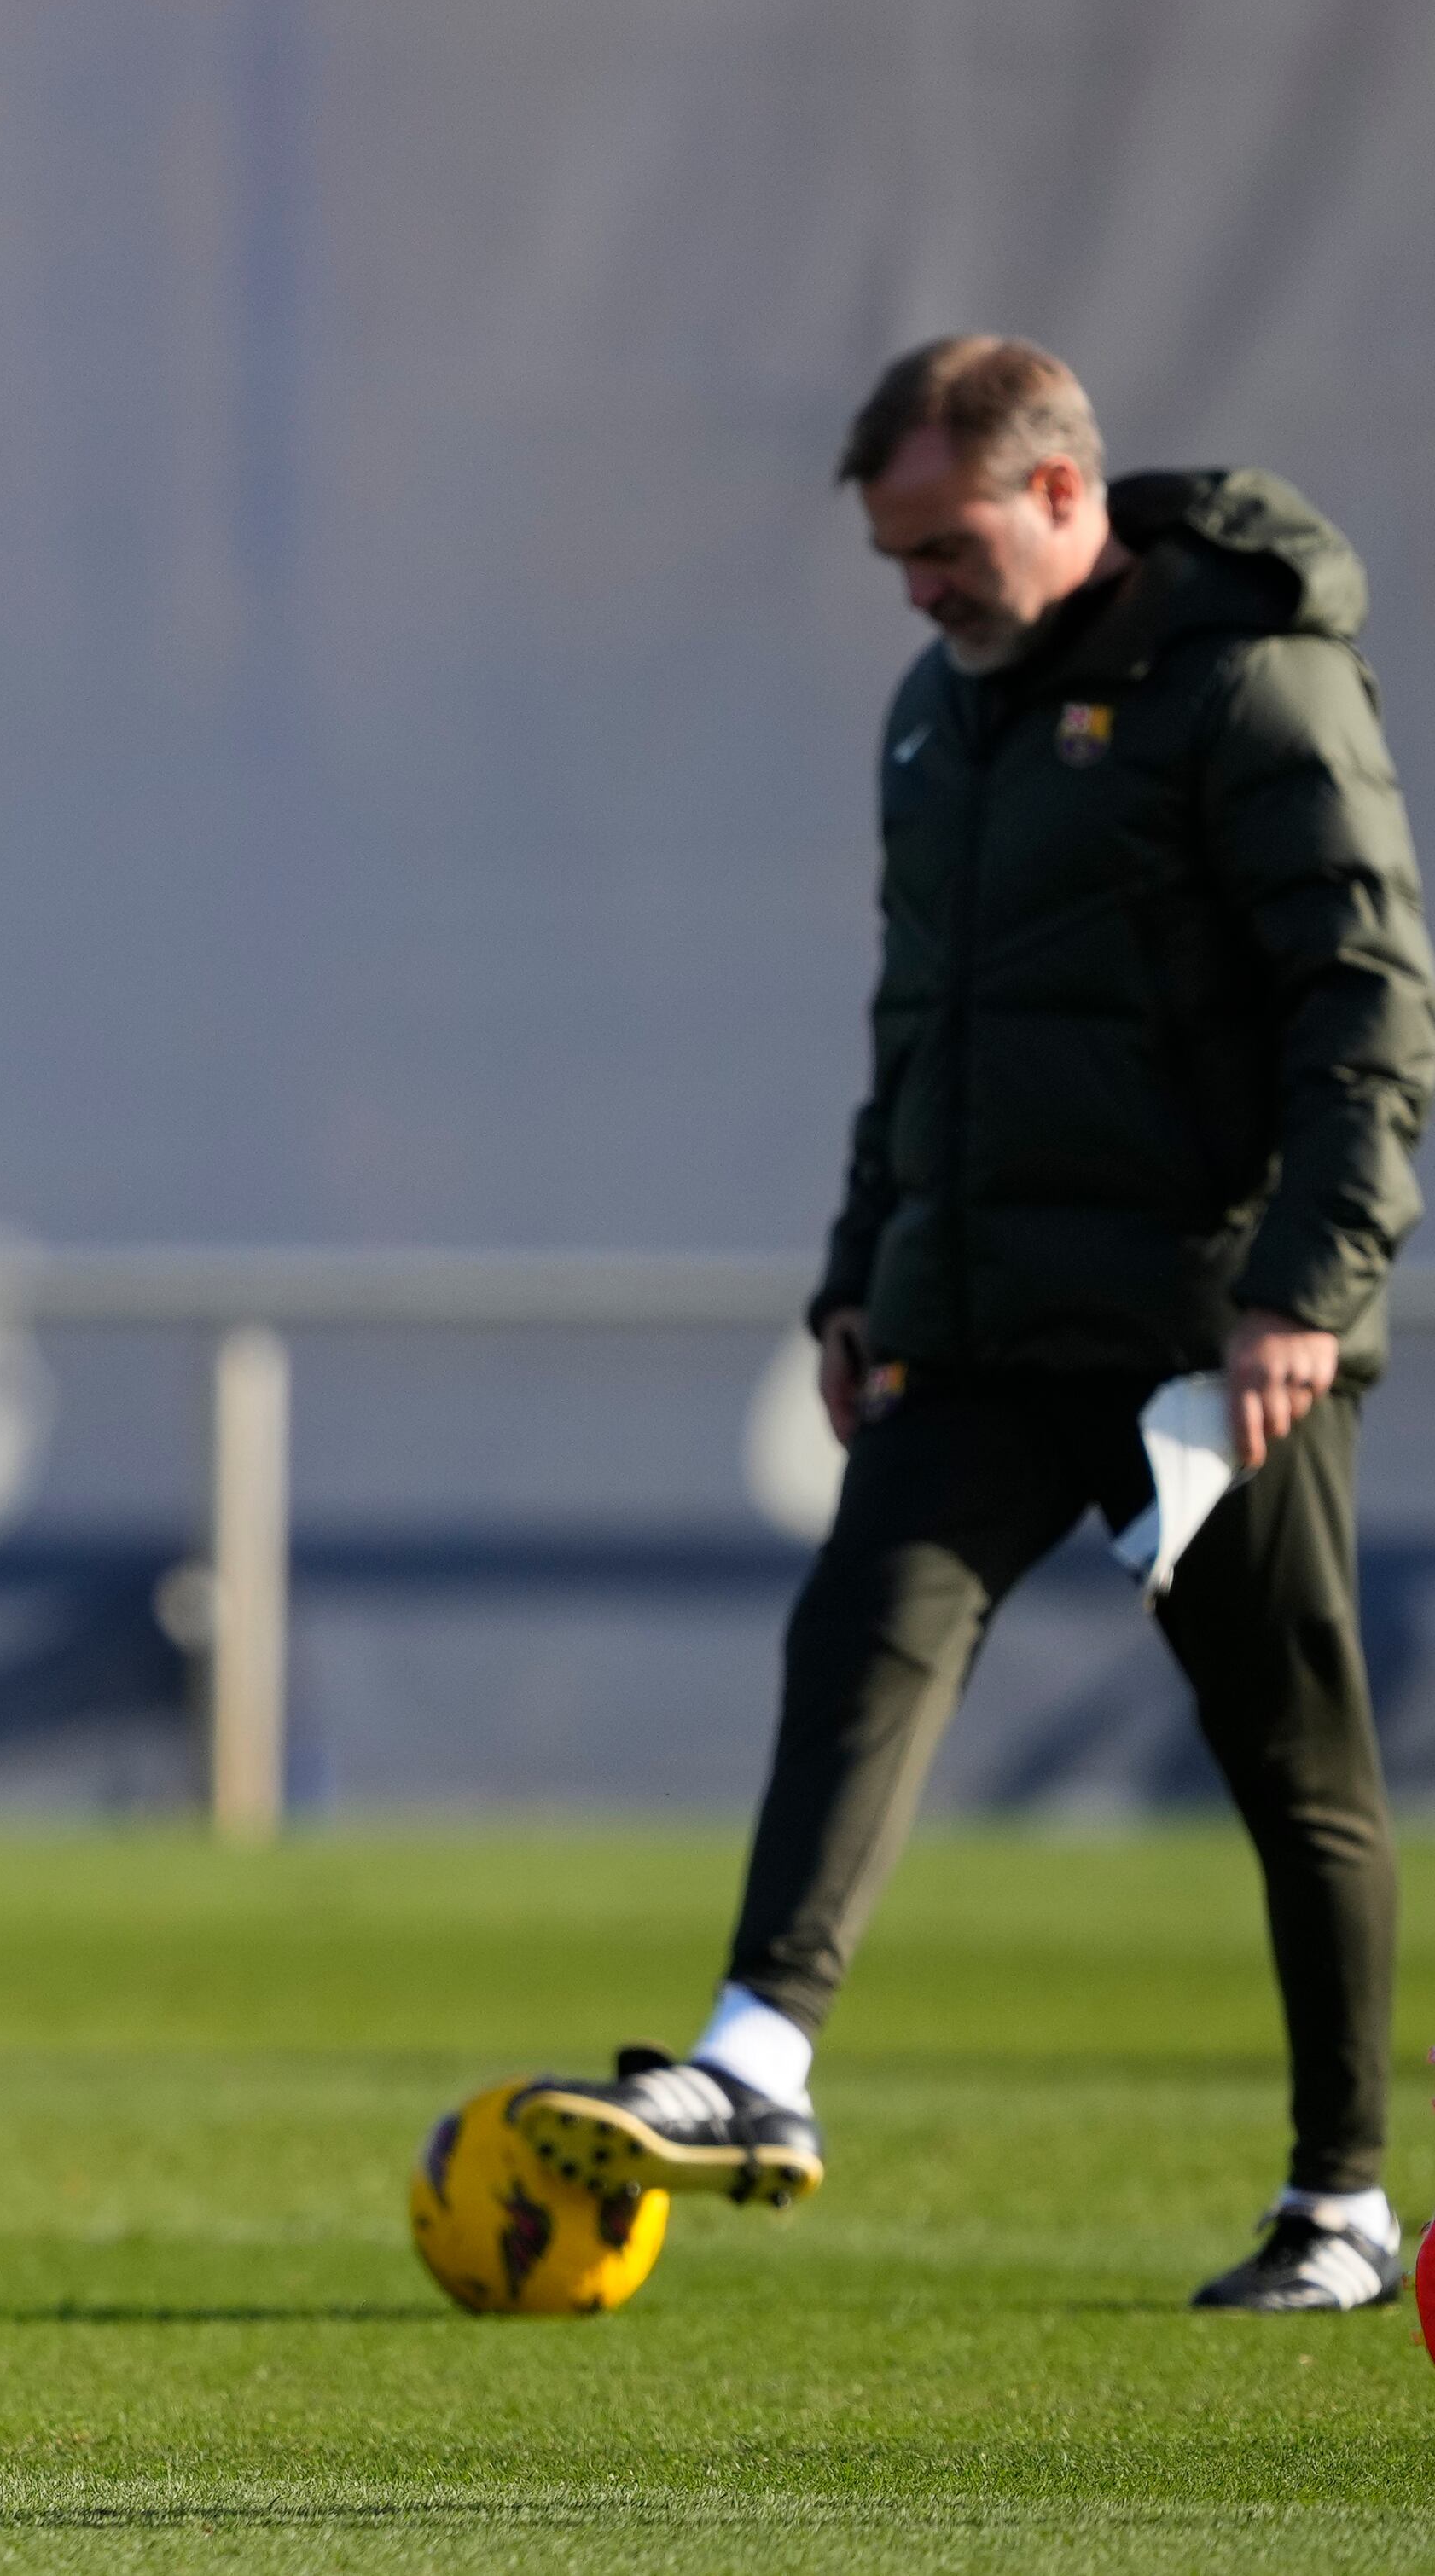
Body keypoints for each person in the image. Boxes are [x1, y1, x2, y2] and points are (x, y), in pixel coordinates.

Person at [512, 337, 1435, 2314]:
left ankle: (1341, 2199)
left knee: (1292, 1761)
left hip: (1214, 1335)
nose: (918, 590)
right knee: (864, 1628)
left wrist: (1304, 1286)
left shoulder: (1250, 676)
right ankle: (756, 2060)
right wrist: (862, 1272)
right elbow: (917, 1028)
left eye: (940, 544)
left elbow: (1367, 1002)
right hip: (986, 1311)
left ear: (1060, 494)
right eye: (892, 559)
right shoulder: (943, 715)